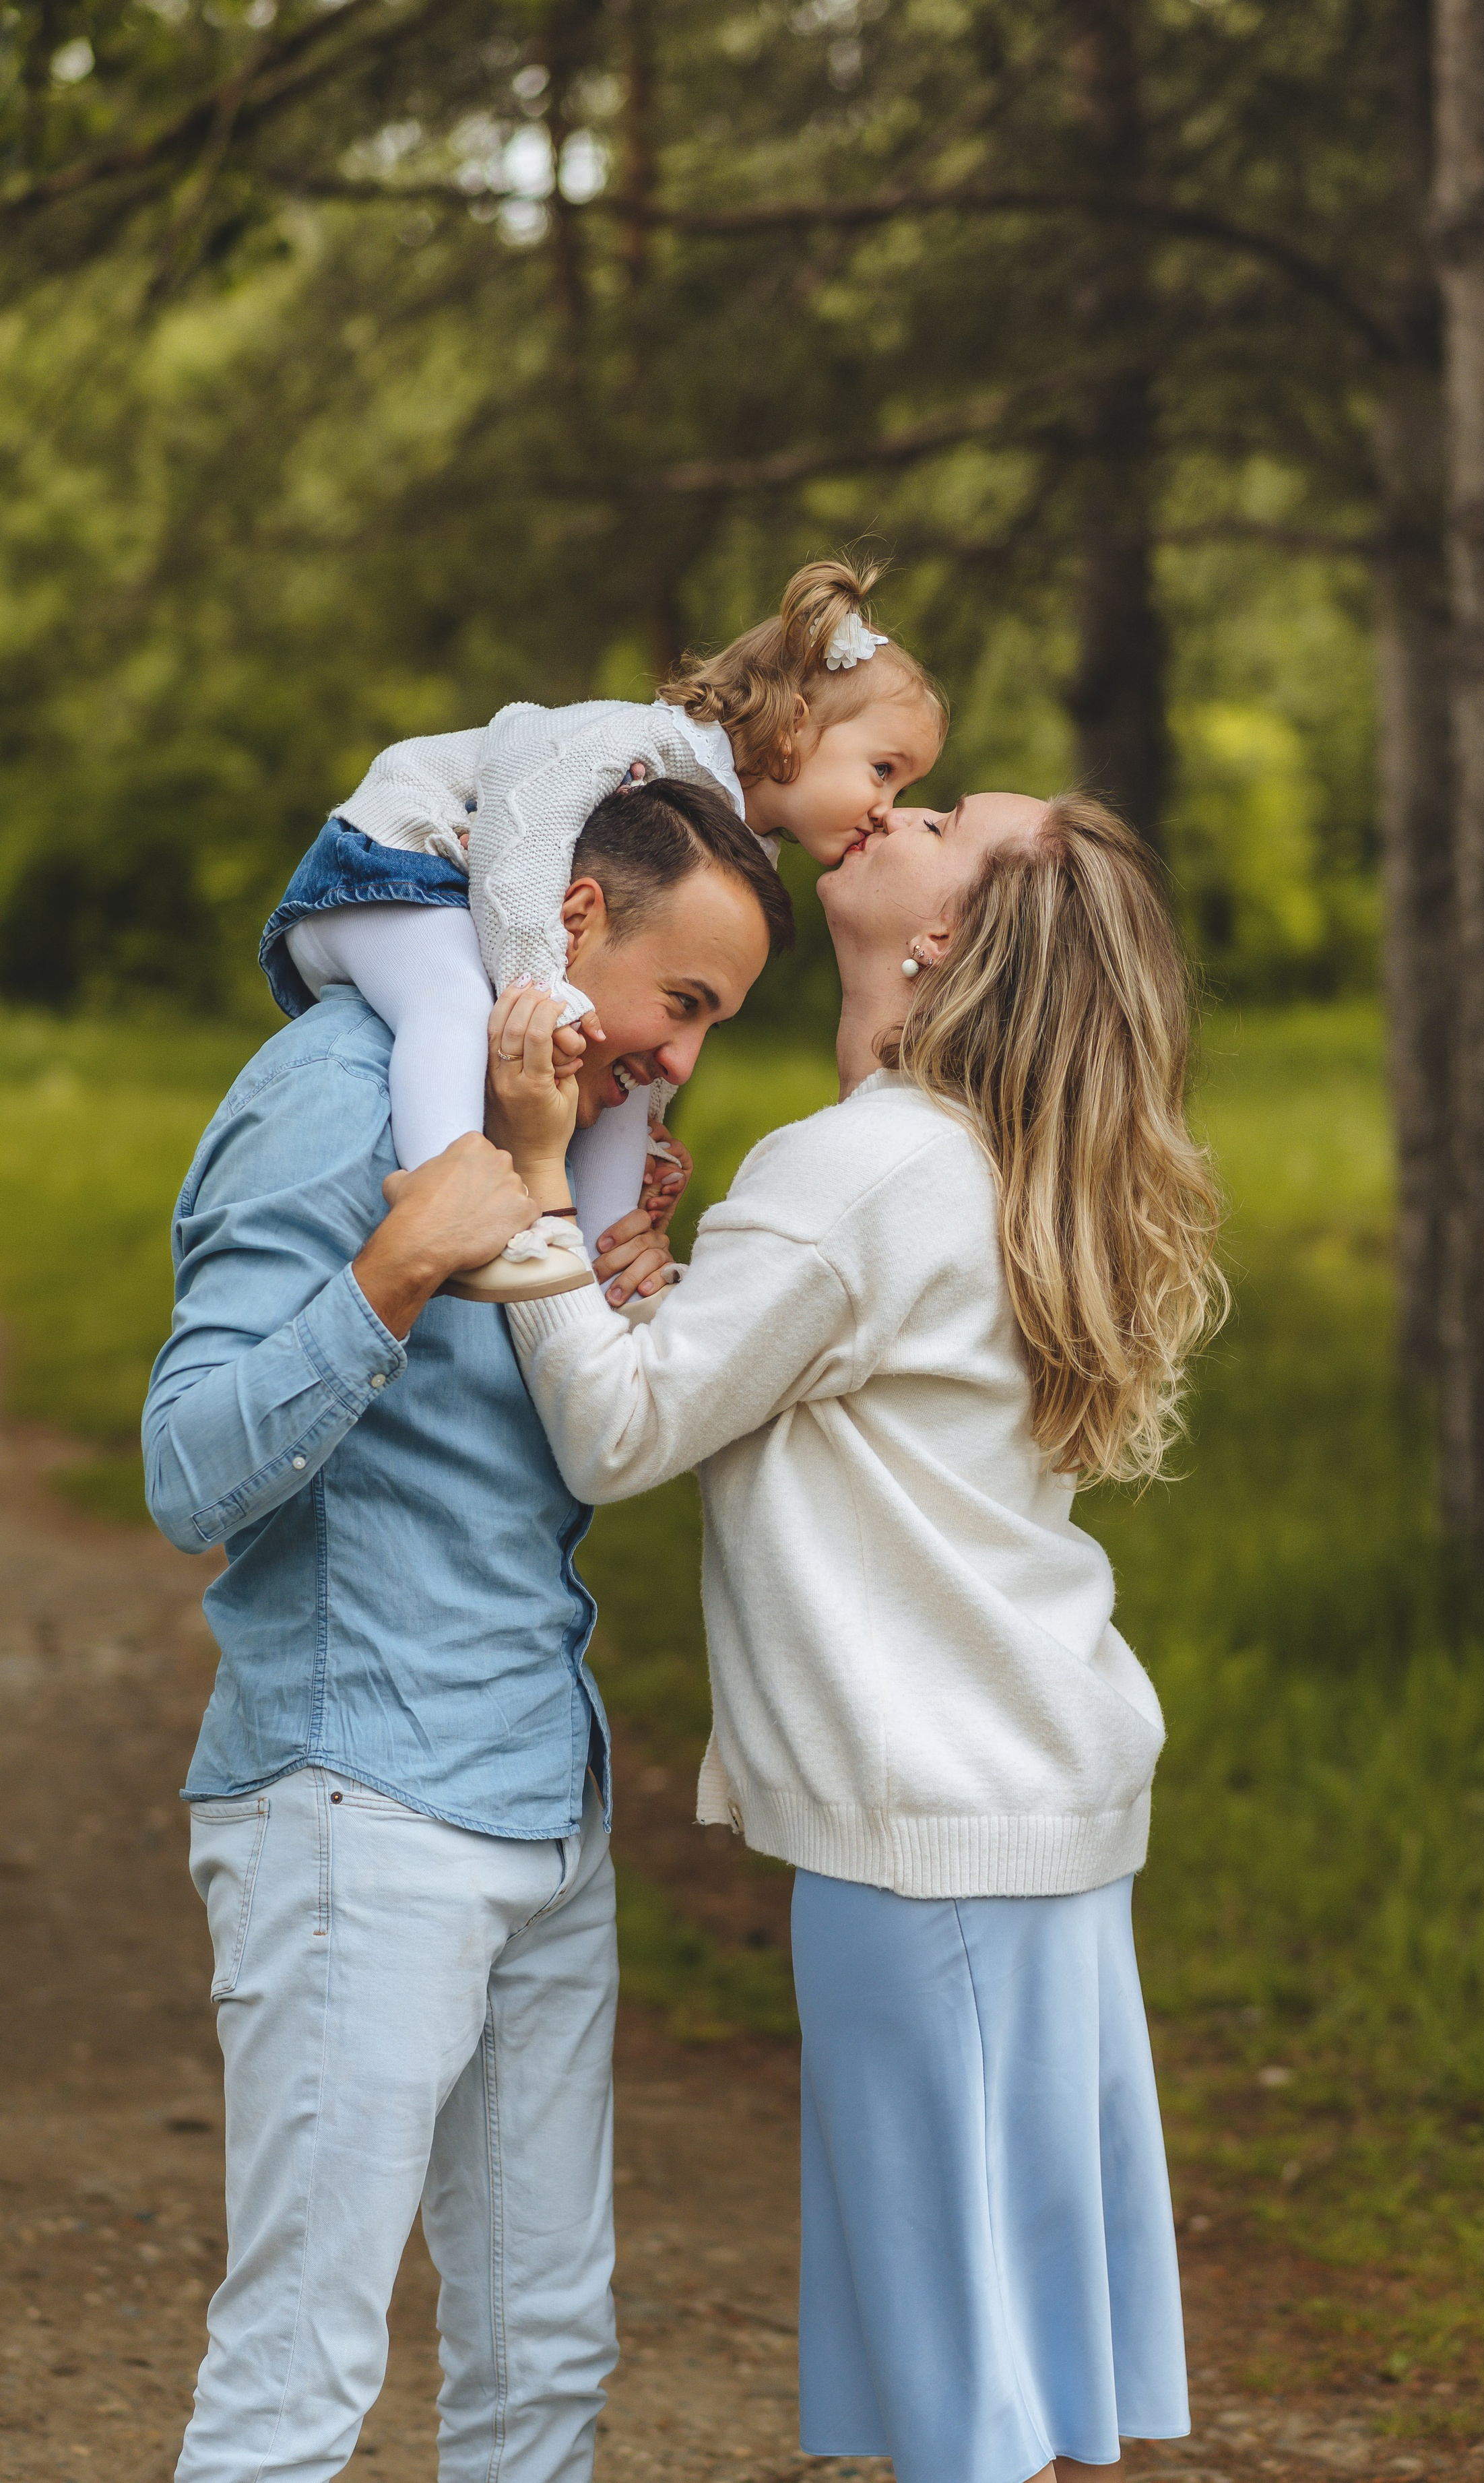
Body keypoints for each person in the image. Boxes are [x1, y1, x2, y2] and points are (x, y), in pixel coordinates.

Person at [485, 789, 1227, 2483]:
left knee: (955, 2377)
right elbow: (797, 1401)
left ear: (943, 934)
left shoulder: (858, 1164)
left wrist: (535, 1180)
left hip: (934, 1841)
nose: (895, 804)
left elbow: (616, 1438)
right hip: (1033, 1807)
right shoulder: (959, 1150)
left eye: (948, 818)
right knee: (999, 2349)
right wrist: (660, 1299)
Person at [141, 779, 792, 2483]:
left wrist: (611, 1280)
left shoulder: (562, 1136)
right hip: (359, 1805)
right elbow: (186, 1467)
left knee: (543, 2348)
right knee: (300, 2369)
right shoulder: (331, 1097)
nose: (680, 1059)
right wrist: (391, 1275)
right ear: (575, 924)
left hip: (540, 1798)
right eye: (687, 1004)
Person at [255, 557, 946, 1290]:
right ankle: (446, 1203)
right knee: (453, 1000)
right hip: (391, 861)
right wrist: (540, 991)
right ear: (797, 728)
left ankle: (605, 1274)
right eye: (882, 770)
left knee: (626, 1084)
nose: (888, 805)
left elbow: (661, 1020)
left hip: (464, 904)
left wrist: (650, 1123)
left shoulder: (746, 854)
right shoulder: (646, 742)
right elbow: (520, 829)